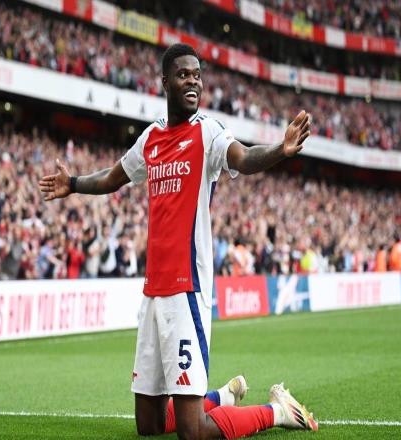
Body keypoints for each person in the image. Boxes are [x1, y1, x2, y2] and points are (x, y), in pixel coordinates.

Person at [40, 44, 317, 439]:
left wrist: (280, 150)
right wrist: (73, 183)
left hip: (188, 291)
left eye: (198, 75)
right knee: (148, 426)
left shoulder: (208, 132)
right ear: (165, 82)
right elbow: (114, 177)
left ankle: (276, 411)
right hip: (153, 292)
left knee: (192, 432)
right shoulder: (151, 137)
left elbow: (243, 158)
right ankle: (222, 395)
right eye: (184, 74)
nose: (193, 82)